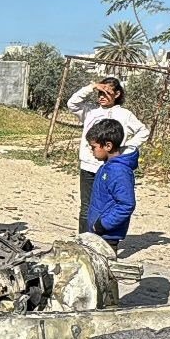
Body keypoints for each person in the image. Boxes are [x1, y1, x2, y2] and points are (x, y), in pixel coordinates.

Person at [67, 76, 149, 234]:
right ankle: (83, 241)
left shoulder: (124, 115)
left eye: (106, 93)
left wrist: (125, 148)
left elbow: (143, 131)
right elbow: (72, 103)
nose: (102, 97)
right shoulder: (90, 111)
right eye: (100, 93)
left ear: (117, 94)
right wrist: (91, 86)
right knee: (86, 207)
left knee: (107, 204)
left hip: (110, 167)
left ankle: (104, 238)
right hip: (88, 166)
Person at [85, 118, 137, 249]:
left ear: (108, 146)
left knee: (104, 267)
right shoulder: (106, 166)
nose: (92, 152)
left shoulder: (119, 171)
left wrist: (103, 225)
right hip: (98, 233)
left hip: (107, 236)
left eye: (94, 147)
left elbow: (126, 204)